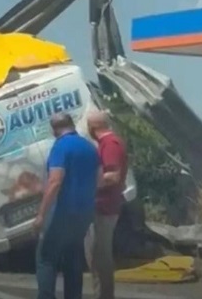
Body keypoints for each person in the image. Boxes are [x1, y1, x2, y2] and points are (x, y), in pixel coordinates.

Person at [33, 112, 100, 299]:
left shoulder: (60, 148)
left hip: (62, 213)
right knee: (73, 258)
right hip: (85, 213)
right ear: (71, 123)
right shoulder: (89, 147)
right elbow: (99, 180)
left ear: (54, 130)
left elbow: (55, 182)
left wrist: (40, 215)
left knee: (46, 258)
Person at [85, 110, 128, 299]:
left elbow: (113, 176)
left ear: (92, 128)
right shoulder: (107, 143)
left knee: (101, 256)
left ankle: (104, 295)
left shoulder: (110, 145)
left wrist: (89, 186)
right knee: (97, 254)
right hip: (105, 205)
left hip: (105, 206)